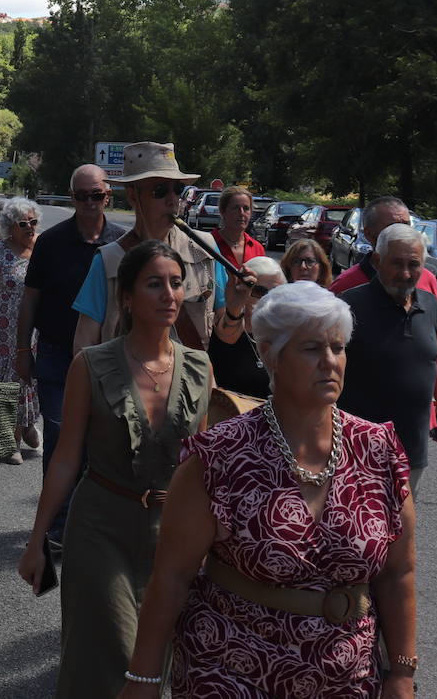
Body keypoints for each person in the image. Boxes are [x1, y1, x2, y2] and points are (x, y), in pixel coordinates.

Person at [119, 281, 417, 699]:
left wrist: (402, 673)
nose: (330, 362)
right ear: (271, 357)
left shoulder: (377, 449)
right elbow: (172, 575)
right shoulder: (220, 456)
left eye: (338, 347)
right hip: (231, 673)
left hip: (347, 679)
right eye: (312, 349)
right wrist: (143, 680)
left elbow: (397, 571)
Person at [18, 240, 212, 699]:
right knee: (110, 660)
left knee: (160, 664)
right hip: (100, 527)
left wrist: (211, 543)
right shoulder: (91, 364)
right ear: (126, 297)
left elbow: (202, 465)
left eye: (176, 284)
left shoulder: (201, 368)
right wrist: (37, 541)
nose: (169, 294)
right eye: (154, 284)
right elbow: (66, 457)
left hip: (172, 535)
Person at [16, 164, 125, 543]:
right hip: (56, 354)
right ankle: (58, 525)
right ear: (72, 197)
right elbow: (30, 299)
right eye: (83, 196)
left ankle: (89, 519)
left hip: (109, 359)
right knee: (62, 437)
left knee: (102, 441)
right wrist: (21, 348)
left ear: (108, 195)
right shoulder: (51, 242)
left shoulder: (122, 243)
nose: (90, 203)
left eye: (97, 195)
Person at [73, 142, 217, 352]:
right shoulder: (108, 261)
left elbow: (226, 336)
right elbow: (83, 344)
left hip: (189, 383)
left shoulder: (206, 250)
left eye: (178, 189)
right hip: (125, 383)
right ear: (133, 196)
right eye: (160, 191)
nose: (172, 200)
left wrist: (237, 309)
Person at [339, 223, 437, 491]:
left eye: (413, 264)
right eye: (396, 263)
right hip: (357, 451)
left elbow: (436, 353)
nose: (405, 273)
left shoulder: (429, 304)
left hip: (412, 448)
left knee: (404, 526)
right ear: (377, 261)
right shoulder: (348, 306)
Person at [329, 196, 437, 429]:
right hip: (358, 430)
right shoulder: (345, 289)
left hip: (414, 429)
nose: (402, 233)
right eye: (392, 227)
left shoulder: (427, 281)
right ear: (371, 236)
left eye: (406, 225)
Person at [0, 196, 42, 463]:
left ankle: (26, 425)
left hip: (34, 329)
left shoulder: (41, 250)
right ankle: (9, 441)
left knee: (29, 381)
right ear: (10, 226)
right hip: (3, 332)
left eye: (34, 222)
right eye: (24, 224)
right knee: (8, 383)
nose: (30, 228)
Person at [209, 256, 286, 398]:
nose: (267, 299)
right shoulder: (231, 329)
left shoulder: (287, 335)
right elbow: (229, 325)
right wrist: (234, 309)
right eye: (259, 291)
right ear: (242, 291)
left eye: (276, 293)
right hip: (232, 415)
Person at [212, 185, 266, 270]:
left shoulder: (257, 248)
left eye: (246, 208)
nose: (241, 213)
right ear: (223, 211)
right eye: (235, 208)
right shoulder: (209, 243)